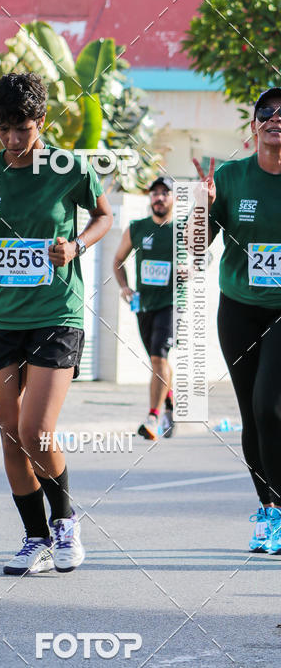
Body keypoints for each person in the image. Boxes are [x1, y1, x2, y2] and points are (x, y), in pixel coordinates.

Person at [0, 72, 113, 575]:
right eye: (3, 128)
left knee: (36, 430)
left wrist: (77, 246)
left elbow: (104, 216)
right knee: (9, 433)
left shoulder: (69, 167)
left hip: (56, 315)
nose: (13, 139)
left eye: (21, 128)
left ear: (40, 121)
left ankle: (66, 522)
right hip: (0, 318)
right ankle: (35, 538)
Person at [193, 88, 281, 556]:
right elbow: (193, 249)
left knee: (271, 407)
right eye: (266, 112)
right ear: (253, 127)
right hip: (239, 308)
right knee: (251, 413)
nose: (275, 118)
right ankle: (268, 511)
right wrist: (202, 207)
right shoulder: (229, 178)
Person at [113, 176, 175, 440]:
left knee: (159, 358)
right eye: (155, 193)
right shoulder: (137, 227)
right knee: (156, 360)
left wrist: (191, 267)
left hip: (171, 304)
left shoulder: (182, 229)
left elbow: (203, 255)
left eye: (165, 193)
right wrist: (125, 287)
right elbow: (118, 259)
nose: (159, 198)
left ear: (174, 198)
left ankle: (153, 417)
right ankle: (170, 400)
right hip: (144, 304)